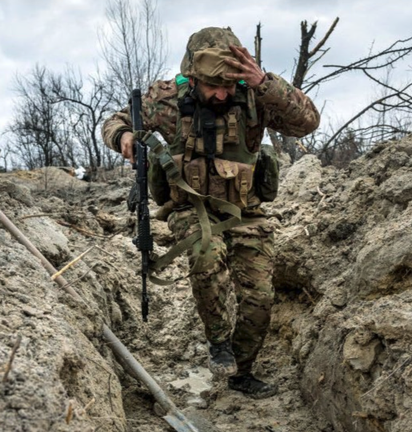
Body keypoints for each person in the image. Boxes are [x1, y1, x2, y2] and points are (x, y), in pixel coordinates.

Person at [102, 27, 320, 399]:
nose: (222, 94)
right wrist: (122, 135)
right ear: (194, 77)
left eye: (228, 86)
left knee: (260, 296)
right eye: (212, 86)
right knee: (207, 252)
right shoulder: (167, 100)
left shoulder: (255, 95)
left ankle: (242, 369)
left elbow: (307, 121)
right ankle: (218, 342)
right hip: (190, 207)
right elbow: (114, 121)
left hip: (245, 212)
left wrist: (265, 82)